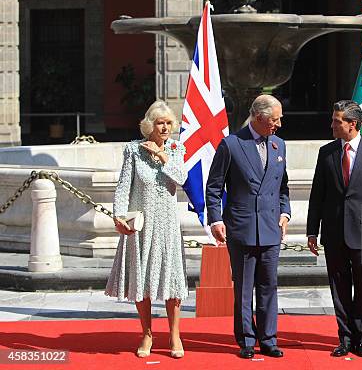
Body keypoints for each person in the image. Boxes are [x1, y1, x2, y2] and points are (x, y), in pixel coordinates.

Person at [206, 94, 290, 359]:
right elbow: (214, 187)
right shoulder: (231, 144)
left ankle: (268, 339)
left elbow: (282, 187)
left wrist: (285, 213)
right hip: (241, 228)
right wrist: (216, 219)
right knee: (244, 287)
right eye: (275, 120)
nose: (278, 124)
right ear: (259, 117)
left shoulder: (279, 145)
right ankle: (246, 340)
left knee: (269, 285)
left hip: (270, 228)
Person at [306, 100, 362, 358]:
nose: (332, 124)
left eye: (337, 121)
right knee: (339, 287)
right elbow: (317, 195)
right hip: (333, 232)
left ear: (352, 124)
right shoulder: (327, 152)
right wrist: (312, 230)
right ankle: (344, 338)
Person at [105, 100, 188, 359]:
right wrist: (118, 215)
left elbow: (182, 178)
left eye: (168, 123)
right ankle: (147, 334)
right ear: (149, 125)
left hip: (167, 225)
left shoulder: (176, 148)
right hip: (141, 224)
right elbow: (123, 186)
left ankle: (175, 335)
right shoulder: (133, 150)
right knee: (142, 280)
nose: (164, 127)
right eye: (160, 123)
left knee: (172, 281)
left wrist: (162, 156)